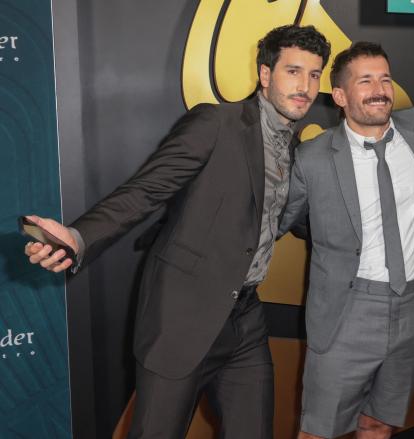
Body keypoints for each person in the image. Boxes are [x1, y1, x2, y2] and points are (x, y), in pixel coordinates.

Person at [24, 25, 330, 439]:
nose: (305, 86)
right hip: (181, 318)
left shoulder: (298, 150)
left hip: (245, 321)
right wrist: (79, 237)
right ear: (264, 74)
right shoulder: (216, 123)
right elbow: (145, 190)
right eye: (293, 71)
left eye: (314, 75)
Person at [279, 42, 414, 439]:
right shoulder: (313, 158)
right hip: (346, 311)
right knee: (318, 431)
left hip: (409, 308)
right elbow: (285, 220)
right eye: (365, 80)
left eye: (385, 78)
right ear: (339, 96)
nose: (379, 89)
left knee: (378, 424)